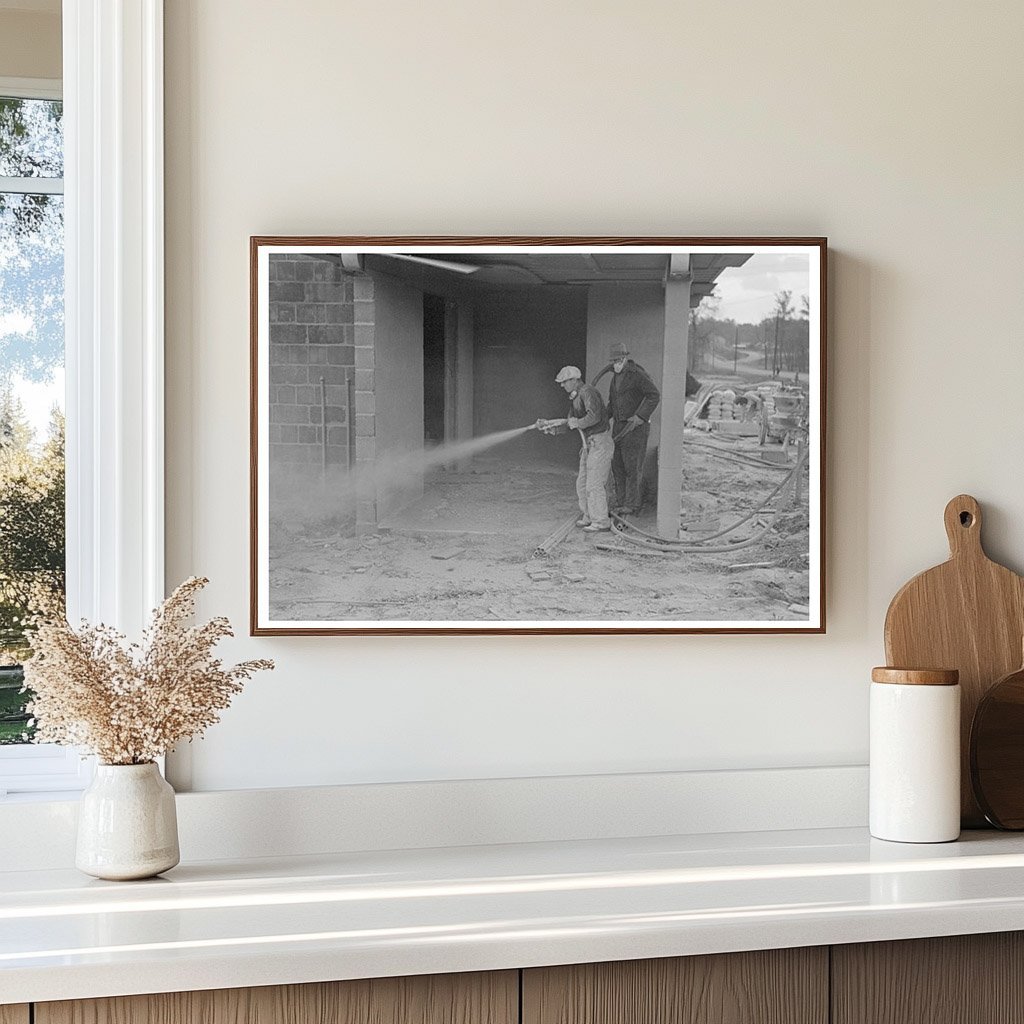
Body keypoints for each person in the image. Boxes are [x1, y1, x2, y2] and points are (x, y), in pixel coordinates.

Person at [554, 365, 613, 532]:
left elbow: (594, 416)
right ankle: (589, 516)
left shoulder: (588, 392)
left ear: (574, 380)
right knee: (582, 483)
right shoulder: (575, 396)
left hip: (599, 443)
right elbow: (571, 421)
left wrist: (577, 423)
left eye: (564, 382)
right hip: (588, 445)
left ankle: (601, 521)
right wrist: (556, 426)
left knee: (594, 484)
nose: (562, 386)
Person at [603, 342, 660, 515]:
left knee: (632, 469)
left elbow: (654, 395)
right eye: (613, 361)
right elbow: (613, 403)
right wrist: (603, 420)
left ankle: (633, 505)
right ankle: (622, 503)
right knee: (618, 467)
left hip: (635, 430)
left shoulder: (637, 375)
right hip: (619, 429)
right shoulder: (615, 378)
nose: (616, 363)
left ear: (625, 358)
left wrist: (640, 416)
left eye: (618, 360)